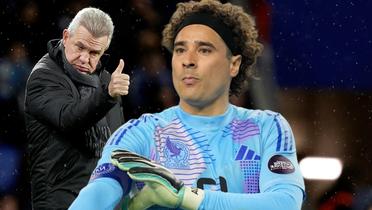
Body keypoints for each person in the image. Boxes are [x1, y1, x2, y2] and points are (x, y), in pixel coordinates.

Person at [69, 1, 305, 209]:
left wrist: (186, 198)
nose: (188, 61)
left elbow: (284, 202)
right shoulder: (141, 134)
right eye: (180, 49)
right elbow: (97, 194)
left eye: (204, 49)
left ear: (234, 64)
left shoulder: (267, 128)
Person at [24, 7, 130, 209]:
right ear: (65, 37)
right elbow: (68, 119)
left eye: (93, 53)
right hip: (60, 200)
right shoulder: (44, 76)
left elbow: (115, 142)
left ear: (103, 52)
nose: (84, 58)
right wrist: (106, 95)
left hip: (104, 197)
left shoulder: (106, 80)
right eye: (80, 47)